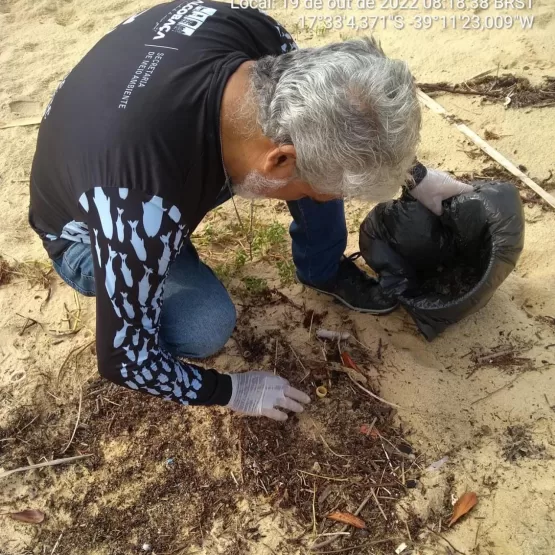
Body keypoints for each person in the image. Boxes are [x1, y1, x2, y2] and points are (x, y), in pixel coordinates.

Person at [29, 0, 472, 421]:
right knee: (205, 325)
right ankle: (145, 268)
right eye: (326, 192)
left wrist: (412, 174)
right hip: (86, 229)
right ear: (277, 160)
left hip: (133, 146)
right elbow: (124, 359)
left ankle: (321, 270)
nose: (329, 198)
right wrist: (232, 391)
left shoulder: (258, 37)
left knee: (320, 168)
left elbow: (338, 109)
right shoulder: (138, 207)